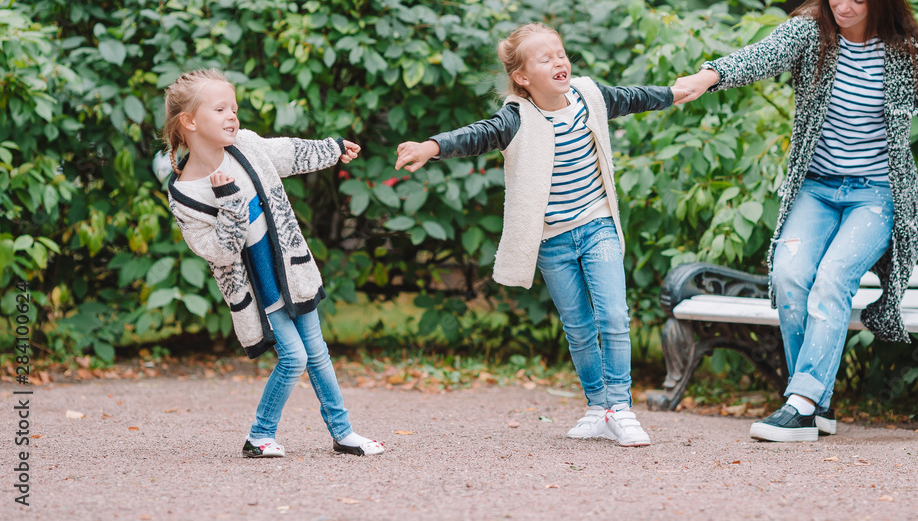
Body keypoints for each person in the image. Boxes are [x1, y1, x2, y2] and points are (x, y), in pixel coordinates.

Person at [671, 0, 918, 442]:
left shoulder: (903, 55)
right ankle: (816, 401)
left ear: (882, 1)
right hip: (817, 189)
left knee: (832, 280)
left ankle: (800, 404)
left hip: (875, 196)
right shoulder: (811, 33)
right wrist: (709, 75)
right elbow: (760, 56)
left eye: (858, 0)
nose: (842, 8)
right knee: (788, 276)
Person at [395, 23, 674, 447]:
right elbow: (477, 135)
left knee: (614, 317)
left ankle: (621, 407)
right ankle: (598, 408)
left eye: (560, 53)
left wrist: (678, 91)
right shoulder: (517, 117)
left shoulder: (588, 96)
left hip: (597, 224)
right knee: (578, 329)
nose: (559, 61)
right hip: (552, 240)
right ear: (523, 77)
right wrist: (431, 146)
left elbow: (636, 96)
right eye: (545, 59)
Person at [161, 68, 385, 457]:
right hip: (259, 289)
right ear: (190, 122)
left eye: (234, 108)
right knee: (295, 357)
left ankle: (343, 432)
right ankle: (259, 435)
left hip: (292, 271)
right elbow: (220, 251)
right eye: (220, 109)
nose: (233, 115)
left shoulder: (245, 146)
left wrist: (332, 149)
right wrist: (230, 200)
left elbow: (288, 152)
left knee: (317, 352)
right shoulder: (185, 195)